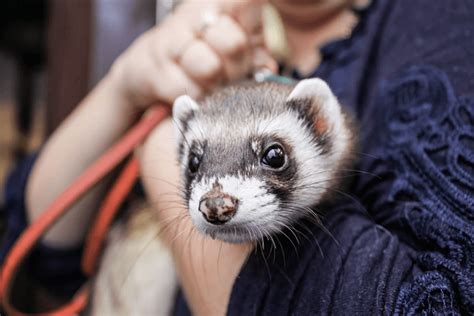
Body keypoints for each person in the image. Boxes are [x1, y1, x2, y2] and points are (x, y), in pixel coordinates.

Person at [3, 0, 473, 314]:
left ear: (322, 126)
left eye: (273, 157)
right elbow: (36, 259)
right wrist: (128, 84)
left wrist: (159, 148)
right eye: (194, 164)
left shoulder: (434, 25)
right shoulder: (205, 41)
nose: (218, 200)